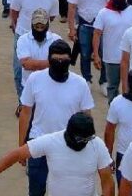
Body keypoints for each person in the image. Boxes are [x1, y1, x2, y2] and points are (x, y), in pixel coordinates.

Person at [0, 112, 113, 196]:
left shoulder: (97, 145)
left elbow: (108, 183)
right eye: (81, 139)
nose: (85, 143)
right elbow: (16, 155)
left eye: (87, 139)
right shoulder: (51, 141)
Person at [19, 39, 95, 196]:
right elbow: (25, 113)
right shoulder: (34, 79)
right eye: (56, 59)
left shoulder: (80, 83)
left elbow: (87, 117)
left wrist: (90, 145)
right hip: (38, 143)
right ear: (49, 59)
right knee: (36, 190)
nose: (60, 62)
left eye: (64, 59)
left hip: (68, 145)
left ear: (70, 60)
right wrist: (21, 146)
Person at [16, 9, 62, 103]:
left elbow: (61, 64)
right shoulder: (23, 40)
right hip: (29, 87)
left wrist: (35, 64)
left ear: (47, 25)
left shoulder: (56, 39)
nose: (39, 29)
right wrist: (53, 63)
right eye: (37, 26)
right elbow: (27, 64)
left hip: (51, 86)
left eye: (42, 26)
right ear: (32, 25)